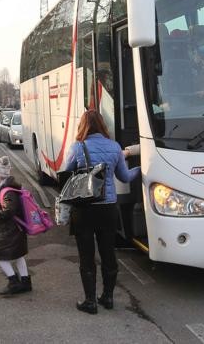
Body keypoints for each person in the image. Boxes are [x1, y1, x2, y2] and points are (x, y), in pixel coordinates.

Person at [64, 110, 140, 314]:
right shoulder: (114, 147)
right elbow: (124, 177)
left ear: (83, 126)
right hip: (108, 209)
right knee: (108, 254)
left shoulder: (78, 147)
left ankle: (90, 301)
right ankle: (108, 297)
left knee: (86, 256)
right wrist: (141, 169)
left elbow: (64, 172)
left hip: (84, 209)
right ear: (102, 125)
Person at [0, 156, 32, 296]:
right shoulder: (6, 187)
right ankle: (25, 282)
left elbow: (9, 211)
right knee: (19, 256)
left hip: (9, 230)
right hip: (15, 228)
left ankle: (14, 282)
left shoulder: (7, 191)